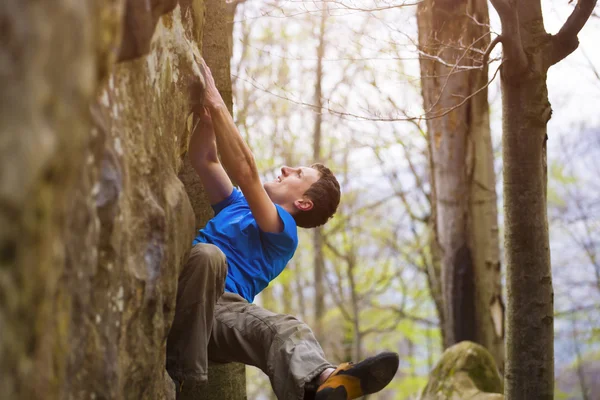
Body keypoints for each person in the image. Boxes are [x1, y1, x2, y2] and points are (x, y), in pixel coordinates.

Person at [166, 59, 399, 400]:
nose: (286, 168)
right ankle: (184, 380)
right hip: (185, 291)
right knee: (208, 257)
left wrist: (218, 103)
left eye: (297, 174)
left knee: (285, 329)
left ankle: (325, 383)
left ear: (303, 203)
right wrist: (207, 118)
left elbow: (245, 171)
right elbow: (205, 159)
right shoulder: (235, 204)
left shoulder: (283, 232)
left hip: (221, 318)